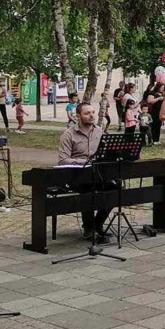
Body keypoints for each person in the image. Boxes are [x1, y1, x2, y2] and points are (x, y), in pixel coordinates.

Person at [57, 103, 111, 242]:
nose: (92, 115)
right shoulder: (68, 134)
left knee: (115, 189)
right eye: (87, 113)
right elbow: (63, 160)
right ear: (79, 116)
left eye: (93, 112)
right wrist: (84, 162)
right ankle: (89, 229)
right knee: (88, 191)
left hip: (97, 174)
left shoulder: (100, 132)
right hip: (76, 176)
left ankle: (97, 224)